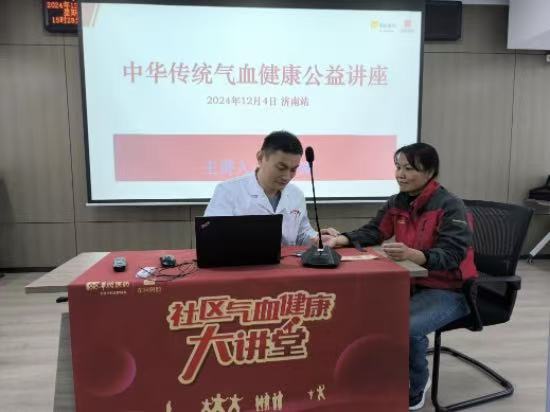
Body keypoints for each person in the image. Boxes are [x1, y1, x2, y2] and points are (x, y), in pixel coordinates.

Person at [321, 142, 477, 411]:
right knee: (360, 313)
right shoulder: (397, 202)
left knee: (405, 327)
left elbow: (452, 254)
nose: (400, 175)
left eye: (409, 169)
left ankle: (417, 385)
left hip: (450, 290)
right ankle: (384, 373)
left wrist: (416, 255)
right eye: (398, 167)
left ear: (430, 172)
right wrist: (341, 239)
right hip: (409, 284)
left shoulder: (451, 206)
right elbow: (375, 231)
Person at [204, 130, 317, 246]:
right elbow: (211, 236)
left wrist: (317, 239)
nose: (287, 176)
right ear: (260, 157)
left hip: (286, 258)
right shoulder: (228, 191)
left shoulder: (296, 194)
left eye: (293, 169)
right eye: (281, 167)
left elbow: (302, 234)